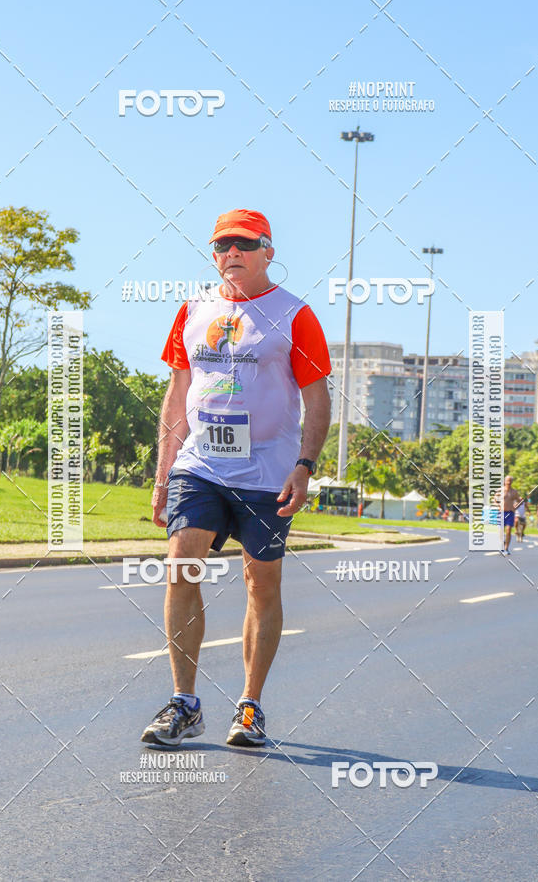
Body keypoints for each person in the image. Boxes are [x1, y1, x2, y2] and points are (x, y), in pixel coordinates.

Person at [141, 209, 332, 749]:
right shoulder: (192, 310)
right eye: (222, 245)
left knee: (260, 582)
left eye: (244, 244)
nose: (232, 253)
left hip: (267, 471)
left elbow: (317, 399)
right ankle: (184, 702)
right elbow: (177, 395)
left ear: (268, 251)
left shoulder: (295, 315)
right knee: (182, 565)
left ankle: (250, 706)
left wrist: (305, 465)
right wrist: (163, 474)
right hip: (200, 465)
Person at [494, 475, 521, 554]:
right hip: (501, 512)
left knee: (508, 530)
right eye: (507, 481)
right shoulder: (500, 490)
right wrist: (498, 506)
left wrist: (515, 507)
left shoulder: (514, 492)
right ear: (504, 481)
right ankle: (502, 545)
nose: (508, 482)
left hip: (510, 513)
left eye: (510, 481)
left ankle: (506, 548)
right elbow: (494, 500)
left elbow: (519, 500)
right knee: (501, 531)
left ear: (512, 482)